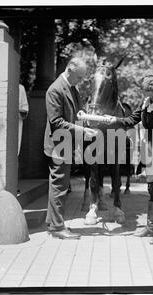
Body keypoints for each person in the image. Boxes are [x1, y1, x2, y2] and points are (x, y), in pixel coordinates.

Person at [104, 74, 153, 244]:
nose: (143, 92)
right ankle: (151, 226)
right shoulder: (146, 104)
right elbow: (132, 120)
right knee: (152, 190)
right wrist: (114, 120)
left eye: (145, 89)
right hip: (150, 152)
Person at [44, 57, 98, 240]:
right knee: (59, 186)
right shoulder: (55, 89)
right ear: (69, 70)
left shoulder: (71, 87)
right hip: (58, 145)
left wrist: (88, 118)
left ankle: (53, 224)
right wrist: (82, 130)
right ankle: (57, 227)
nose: (81, 81)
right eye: (79, 77)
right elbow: (56, 121)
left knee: (60, 185)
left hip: (65, 143)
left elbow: (78, 112)